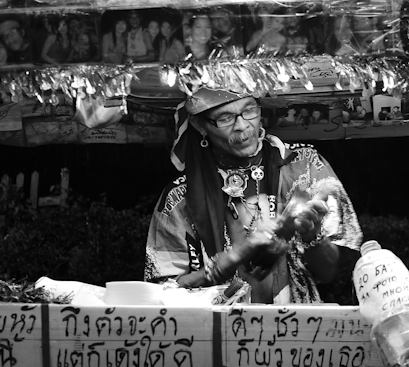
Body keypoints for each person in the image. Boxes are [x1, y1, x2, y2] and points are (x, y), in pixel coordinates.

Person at [145, 88, 362, 304]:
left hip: (298, 322)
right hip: (218, 325)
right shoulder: (179, 198)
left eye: (249, 110)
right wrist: (231, 259)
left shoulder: (306, 166)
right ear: (200, 125)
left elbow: (329, 273)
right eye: (225, 118)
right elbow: (161, 296)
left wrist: (313, 237)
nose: (242, 125)